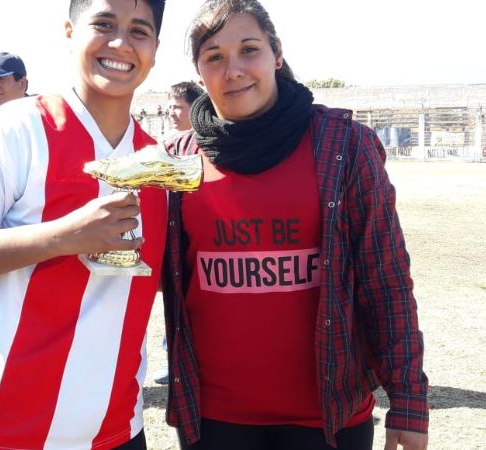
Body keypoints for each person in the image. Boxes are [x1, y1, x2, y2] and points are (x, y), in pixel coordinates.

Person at [161, 1, 429, 450]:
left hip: (327, 416)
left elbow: (387, 279)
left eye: (249, 49)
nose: (234, 70)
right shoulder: (173, 161)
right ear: (199, 71)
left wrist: (407, 399)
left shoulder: (344, 144)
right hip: (215, 418)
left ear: (276, 55)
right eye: (214, 57)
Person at [0, 1, 166, 449]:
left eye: (138, 31)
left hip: (117, 430)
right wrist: (64, 236)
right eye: (104, 24)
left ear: (155, 48)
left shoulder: (157, 161)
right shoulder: (10, 130)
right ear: (70, 31)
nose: (120, 43)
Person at [152, 80, 205, 386]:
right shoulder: (165, 143)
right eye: (170, 106)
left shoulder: (203, 146)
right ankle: (172, 358)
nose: (172, 112)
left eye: (178, 107)